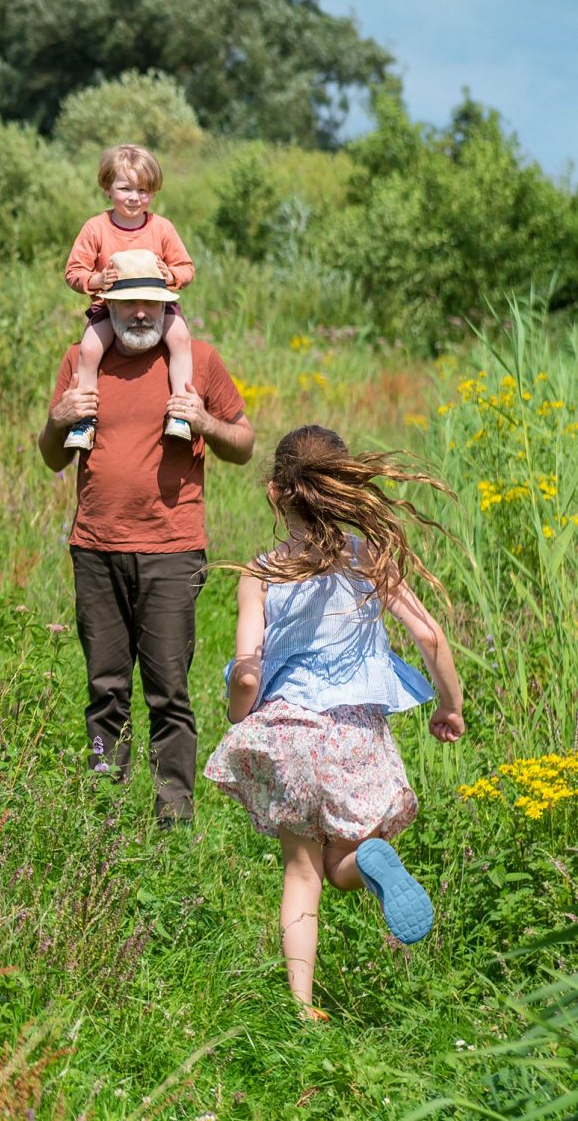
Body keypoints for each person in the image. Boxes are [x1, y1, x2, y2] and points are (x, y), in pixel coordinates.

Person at [204, 424, 465, 1022]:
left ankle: (302, 1008)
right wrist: (449, 706)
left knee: (302, 872)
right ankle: (370, 858)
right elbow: (430, 636)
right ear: (343, 491)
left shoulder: (261, 572)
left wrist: (240, 718)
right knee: (344, 864)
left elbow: (247, 671)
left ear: (275, 494)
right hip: (352, 735)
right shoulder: (367, 557)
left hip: (289, 733)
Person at [38, 251, 255, 826]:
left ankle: (173, 813)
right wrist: (59, 419)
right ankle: (104, 805)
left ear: (168, 305)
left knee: (168, 689)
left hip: (172, 549)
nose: (140, 313)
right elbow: (52, 457)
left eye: (151, 303)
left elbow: (244, 443)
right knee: (105, 686)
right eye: (129, 302)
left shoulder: (198, 362)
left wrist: (204, 422)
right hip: (95, 546)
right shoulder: (81, 360)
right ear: (105, 304)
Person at [63, 143, 195, 450]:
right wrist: (96, 280)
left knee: (180, 339)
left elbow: (187, 268)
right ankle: (85, 420)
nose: (135, 198)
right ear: (108, 189)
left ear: (153, 193)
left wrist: (171, 275)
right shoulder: (95, 227)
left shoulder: (162, 228)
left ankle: (180, 411)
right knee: (89, 350)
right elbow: (73, 272)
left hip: (157, 305)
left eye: (143, 190)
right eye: (125, 188)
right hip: (110, 305)